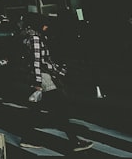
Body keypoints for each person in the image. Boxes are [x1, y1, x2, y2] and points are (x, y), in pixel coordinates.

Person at [17, 13, 94, 153]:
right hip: (44, 79)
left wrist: (59, 71)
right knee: (59, 108)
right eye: (44, 24)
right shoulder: (35, 38)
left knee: (39, 110)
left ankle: (27, 138)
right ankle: (74, 141)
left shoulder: (36, 37)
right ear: (38, 24)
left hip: (43, 77)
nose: (47, 26)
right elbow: (37, 62)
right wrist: (38, 82)